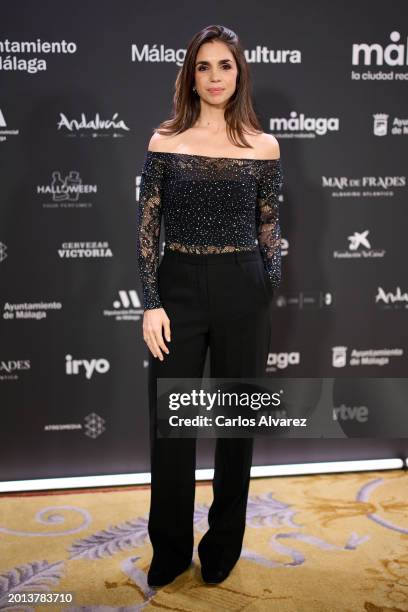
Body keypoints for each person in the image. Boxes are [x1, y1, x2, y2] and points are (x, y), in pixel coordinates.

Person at [137, 24, 283, 588]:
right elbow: (147, 229)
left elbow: (270, 226)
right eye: (204, 66)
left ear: (239, 72)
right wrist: (152, 302)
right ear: (190, 76)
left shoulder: (264, 146)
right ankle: (170, 548)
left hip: (242, 286)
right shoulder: (165, 140)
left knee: (237, 425)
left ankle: (222, 546)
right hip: (177, 287)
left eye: (225, 65)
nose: (215, 76)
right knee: (171, 427)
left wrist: (264, 288)